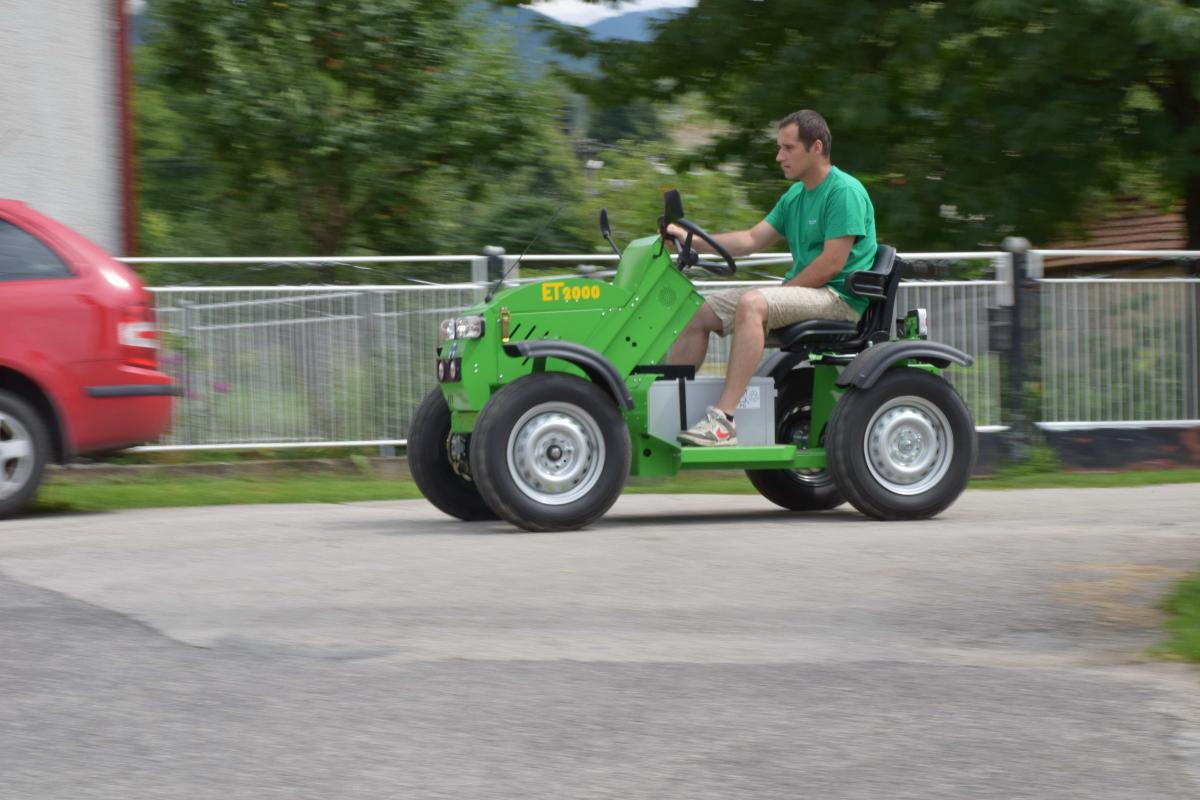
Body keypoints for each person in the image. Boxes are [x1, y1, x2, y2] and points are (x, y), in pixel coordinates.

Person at [666, 109, 877, 446]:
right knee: (698, 312)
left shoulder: (844, 192)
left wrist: (776, 295)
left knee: (753, 303)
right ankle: (669, 408)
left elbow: (831, 265)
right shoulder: (794, 197)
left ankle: (723, 422)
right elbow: (750, 240)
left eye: (788, 148)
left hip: (839, 299)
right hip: (809, 293)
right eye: (779, 147)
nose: (779, 157)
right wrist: (688, 239)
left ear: (817, 147)